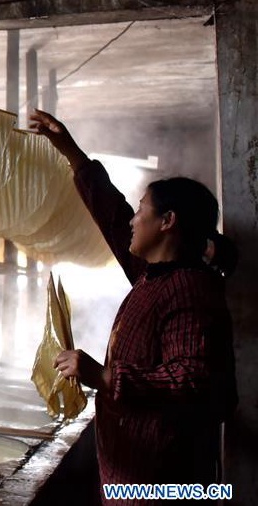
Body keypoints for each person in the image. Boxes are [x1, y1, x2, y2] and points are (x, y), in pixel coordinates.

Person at [29, 110, 238, 505]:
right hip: (134, 479)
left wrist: (104, 376)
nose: (133, 220)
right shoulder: (154, 274)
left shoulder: (189, 290)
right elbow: (113, 215)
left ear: (167, 222)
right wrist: (71, 152)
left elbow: (192, 380)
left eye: (142, 211)